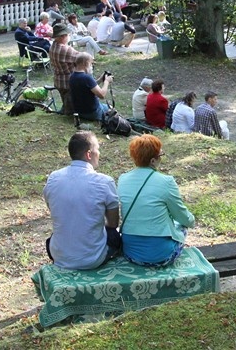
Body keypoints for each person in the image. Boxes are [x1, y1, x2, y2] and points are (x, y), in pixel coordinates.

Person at [43, 132, 121, 270]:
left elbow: (53, 209)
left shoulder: (53, 178)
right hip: (93, 258)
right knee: (115, 235)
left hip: (59, 255)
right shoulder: (104, 182)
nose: (100, 153)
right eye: (98, 149)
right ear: (89, 154)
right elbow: (113, 223)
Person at [117, 135, 195, 267]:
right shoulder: (166, 182)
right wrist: (192, 221)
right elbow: (182, 216)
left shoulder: (122, 179)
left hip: (131, 254)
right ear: (153, 160)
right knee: (181, 225)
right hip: (162, 256)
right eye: (161, 155)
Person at [69, 52, 112, 121]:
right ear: (85, 63)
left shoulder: (72, 76)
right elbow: (102, 95)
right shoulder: (87, 78)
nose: (92, 66)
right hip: (92, 112)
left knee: (106, 106)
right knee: (111, 108)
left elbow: (89, 87)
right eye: (91, 64)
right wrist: (106, 81)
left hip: (79, 111)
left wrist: (101, 79)